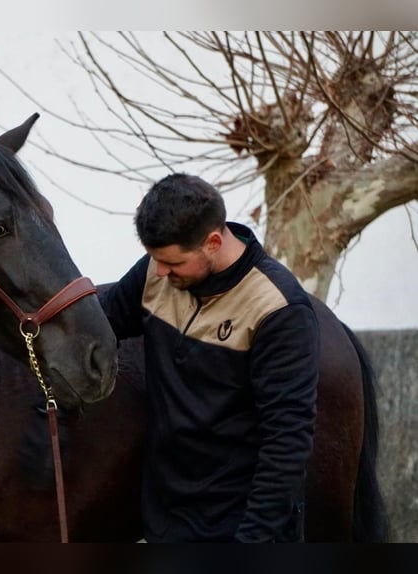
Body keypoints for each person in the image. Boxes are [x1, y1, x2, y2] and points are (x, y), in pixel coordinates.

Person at [100, 173, 319, 542]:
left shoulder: (279, 310)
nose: (161, 272)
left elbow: (287, 442)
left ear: (213, 242)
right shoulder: (157, 271)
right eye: (155, 260)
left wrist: (252, 542)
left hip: (242, 525)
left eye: (174, 263)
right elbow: (99, 326)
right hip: (168, 521)